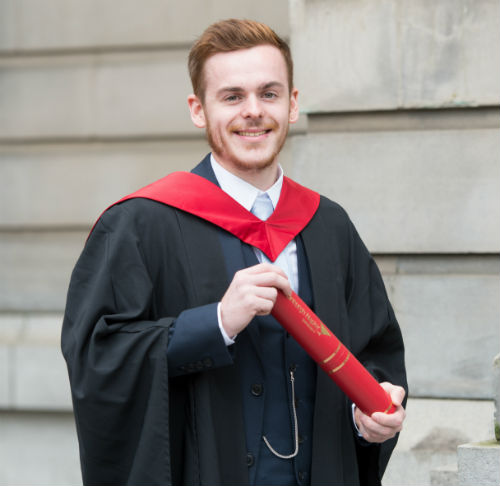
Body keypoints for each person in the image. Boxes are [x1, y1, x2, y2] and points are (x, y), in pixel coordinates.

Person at [62, 18, 407, 486]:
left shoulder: (329, 226)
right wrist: (216, 323)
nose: (253, 111)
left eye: (269, 94)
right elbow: (99, 360)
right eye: (232, 96)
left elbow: (374, 349)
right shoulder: (141, 225)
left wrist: (368, 417)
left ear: (292, 105)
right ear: (198, 110)